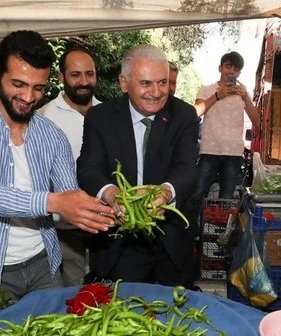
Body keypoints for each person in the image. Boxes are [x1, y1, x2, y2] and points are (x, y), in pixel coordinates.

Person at [0, 30, 115, 299]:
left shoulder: (52, 135)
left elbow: (69, 196)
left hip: (44, 265)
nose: (28, 97)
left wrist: (107, 209)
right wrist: (54, 202)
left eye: (38, 88)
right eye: (18, 84)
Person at [77, 44, 200, 287]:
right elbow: (88, 168)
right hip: (119, 245)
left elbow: (187, 168)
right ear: (124, 83)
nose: (156, 92)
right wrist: (114, 196)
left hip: (171, 245)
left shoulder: (184, 115)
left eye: (162, 82)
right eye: (146, 83)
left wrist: (164, 193)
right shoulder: (100, 118)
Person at [38, 47, 101, 286]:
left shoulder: (107, 113)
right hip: (64, 227)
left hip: (105, 221)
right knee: (73, 290)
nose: (84, 82)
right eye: (76, 75)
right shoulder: (44, 118)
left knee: (105, 288)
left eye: (89, 74)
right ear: (61, 78)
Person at [185, 51, 260, 236]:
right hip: (209, 151)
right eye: (228, 66)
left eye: (236, 69)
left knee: (226, 199)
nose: (231, 71)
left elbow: (258, 122)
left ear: (239, 73)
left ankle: (218, 237)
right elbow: (195, 113)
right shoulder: (206, 89)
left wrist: (246, 98)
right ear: (220, 68)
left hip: (233, 154)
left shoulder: (243, 94)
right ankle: (189, 233)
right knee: (197, 194)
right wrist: (218, 96)